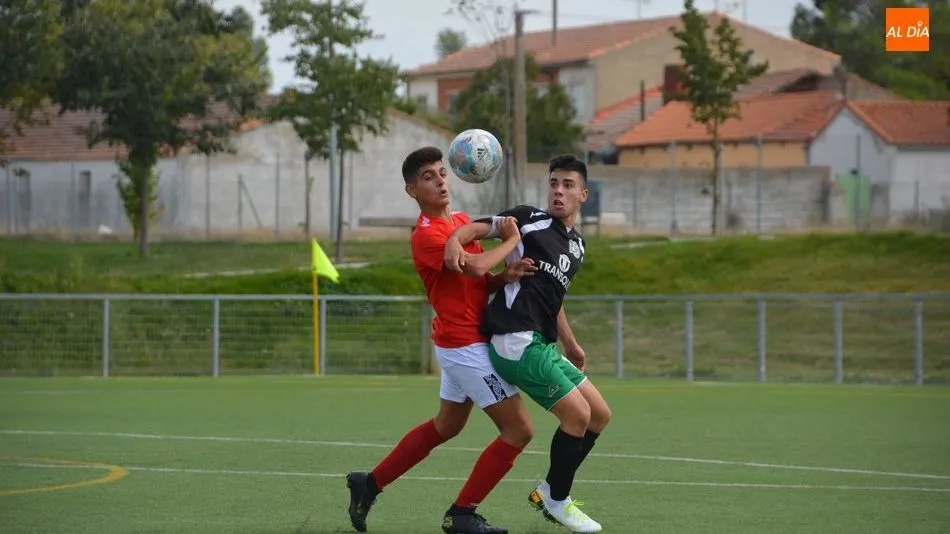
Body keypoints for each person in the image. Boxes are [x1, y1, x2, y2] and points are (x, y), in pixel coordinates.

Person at [345, 146, 537, 534]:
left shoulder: (462, 222)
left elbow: (480, 281)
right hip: (464, 347)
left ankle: (370, 483)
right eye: (428, 177)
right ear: (412, 191)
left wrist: (507, 274)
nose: (440, 181)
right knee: (519, 430)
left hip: (461, 341)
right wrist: (507, 242)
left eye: (442, 172)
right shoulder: (428, 236)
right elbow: (476, 265)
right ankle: (462, 514)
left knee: (447, 427)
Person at [444, 154, 612, 534]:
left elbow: (554, 301)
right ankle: (557, 500)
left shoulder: (577, 247)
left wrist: (572, 343)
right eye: (554, 183)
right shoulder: (528, 219)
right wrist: (455, 239)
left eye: (568, 185)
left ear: (583, 194)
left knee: (599, 415)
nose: (558, 190)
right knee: (577, 416)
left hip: (542, 344)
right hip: (514, 341)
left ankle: (549, 491)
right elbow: (475, 229)